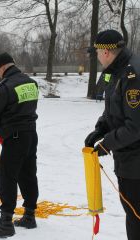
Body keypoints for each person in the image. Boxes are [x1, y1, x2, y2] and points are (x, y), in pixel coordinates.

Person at [85, 29, 140, 240]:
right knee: (132, 214)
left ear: (106, 52)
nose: (97, 58)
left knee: (136, 217)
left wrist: (107, 144)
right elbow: (113, 109)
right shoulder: (115, 71)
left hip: (135, 162)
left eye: (97, 53)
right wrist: (100, 129)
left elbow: (135, 126)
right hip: (128, 158)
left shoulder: (132, 74)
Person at [0, 52, 39, 238]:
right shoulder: (31, 82)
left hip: (14, 137)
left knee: (7, 176)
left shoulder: (5, 86)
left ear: (3, 67)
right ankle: (29, 215)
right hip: (31, 134)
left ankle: (6, 222)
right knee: (28, 174)